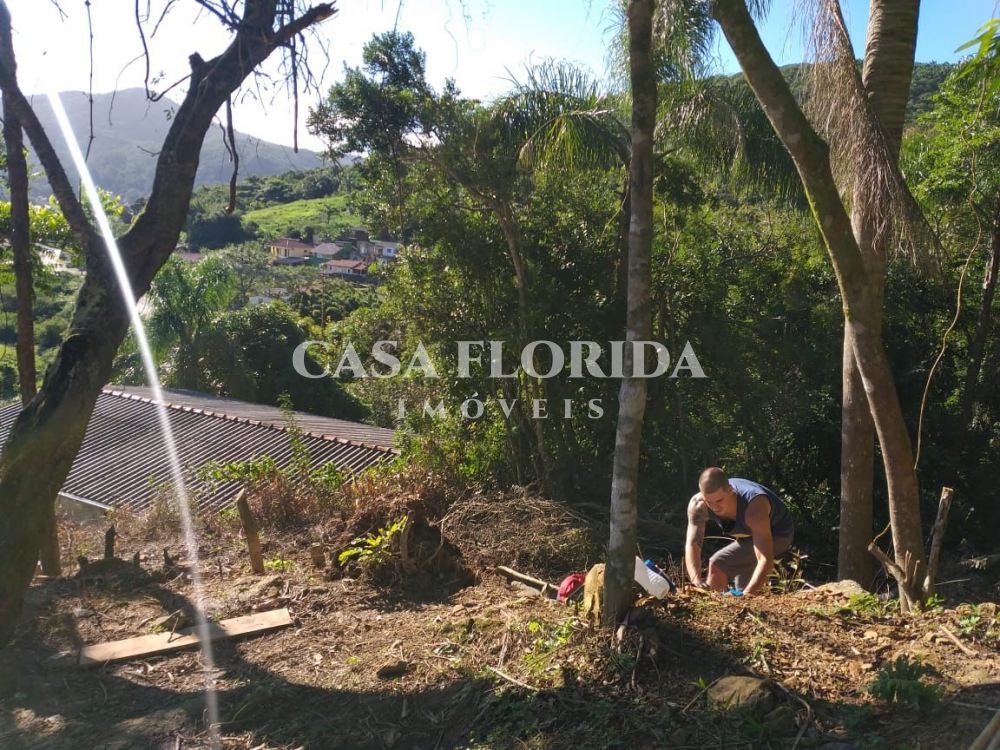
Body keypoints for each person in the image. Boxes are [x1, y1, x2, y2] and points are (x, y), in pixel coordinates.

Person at [684, 467, 795, 596]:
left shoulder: (753, 507)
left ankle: (719, 606)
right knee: (742, 584)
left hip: (778, 532)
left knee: (719, 564)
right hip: (747, 535)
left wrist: (747, 597)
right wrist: (696, 581)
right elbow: (692, 544)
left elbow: (765, 560)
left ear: (730, 490)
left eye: (719, 500)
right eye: (709, 501)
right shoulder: (698, 505)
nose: (714, 507)